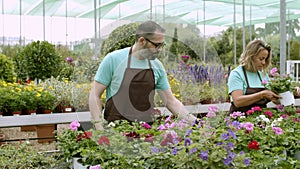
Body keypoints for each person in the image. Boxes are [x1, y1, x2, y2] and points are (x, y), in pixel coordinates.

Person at [89, 21, 196, 130]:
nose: (160, 49)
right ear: (142, 41)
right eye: (157, 45)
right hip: (115, 131)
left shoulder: (157, 65)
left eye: (162, 45)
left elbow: (170, 101)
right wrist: (100, 129)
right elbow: (94, 95)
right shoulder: (113, 59)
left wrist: (196, 123)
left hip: (145, 133)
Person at [227, 39, 281, 114]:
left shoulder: (263, 75)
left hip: (260, 120)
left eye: (265, 59)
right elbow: (237, 101)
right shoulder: (237, 74)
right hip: (240, 121)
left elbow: (275, 99)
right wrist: (262, 95)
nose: (263, 62)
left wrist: (290, 91)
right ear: (250, 56)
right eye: (261, 59)